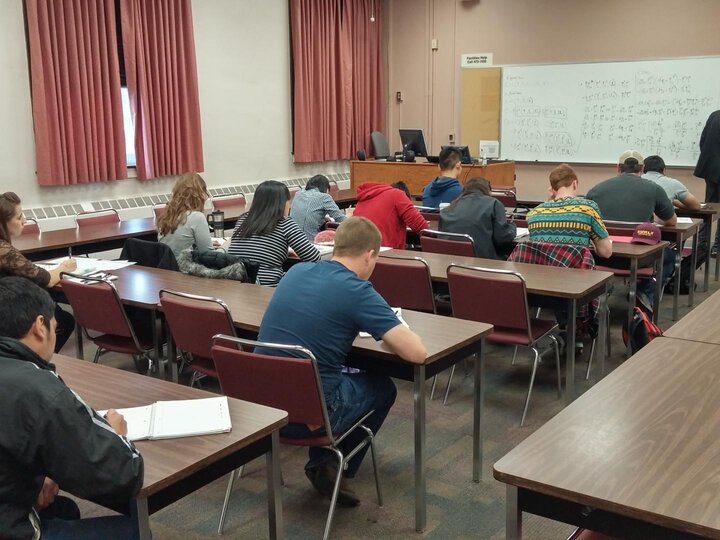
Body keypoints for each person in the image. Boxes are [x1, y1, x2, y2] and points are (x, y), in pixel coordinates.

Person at [257, 217, 426, 507]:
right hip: (309, 417)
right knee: (383, 389)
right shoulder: (357, 290)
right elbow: (417, 354)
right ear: (370, 255)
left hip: (264, 410)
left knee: (336, 376)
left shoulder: (297, 271)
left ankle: (325, 463)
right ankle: (338, 467)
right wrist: (385, 333)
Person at [0, 277, 144, 539]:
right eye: (55, 328)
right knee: (134, 530)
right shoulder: (38, 388)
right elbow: (123, 474)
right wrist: (116, 435)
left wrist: (34, 478)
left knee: (64, 510)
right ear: (40, 328)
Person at [587, 150, 677, 312]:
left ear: (617, 167)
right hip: (640, 260)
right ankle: (645, 294)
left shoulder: (596, 189)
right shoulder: (654, 189)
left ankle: (601, 290)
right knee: (669, 256)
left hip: (600, 257)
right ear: (642, 169)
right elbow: (671, 221)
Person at [0, 192, 76, 352]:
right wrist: (64, 267)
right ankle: (36, 360)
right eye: (19, 217)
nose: (25, 220)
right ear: (3, 223)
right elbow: (46, 279)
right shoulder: (3, 250)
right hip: (8, 312)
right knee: (63, 320)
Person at [228, 180, 320, 286]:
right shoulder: (285, 223)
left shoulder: (243, 219)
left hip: (237, 285)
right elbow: (314, 258)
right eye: (288, 201)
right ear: (282, 203)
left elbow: (257, 247)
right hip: (268, 287)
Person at [527, 164, 612, 258]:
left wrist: (549, 201)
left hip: (543, 272)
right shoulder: (588, 208)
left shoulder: (533, 214)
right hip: (576, 271)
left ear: (552, 189)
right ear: (574, 183)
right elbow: (606, 252)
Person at [439, 177, 517, 259]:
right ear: (488, 191)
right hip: (483, 263)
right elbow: (502, 237)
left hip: (451, 263)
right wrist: (513, 227)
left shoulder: (448, 209)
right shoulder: (494, 204)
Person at [353, 182, 427, 249]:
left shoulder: (364, 197)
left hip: (355, 251)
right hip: (383, 253)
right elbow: (422, 227)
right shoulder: (397, 194)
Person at [157, 172, 213, 258]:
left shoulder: (167, 216)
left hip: (167, 267)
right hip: (187, 268)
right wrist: (225, 247)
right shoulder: (197, 217)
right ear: (199, 195)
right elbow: (209, 256)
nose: (205, 197)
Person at [694, 110, 720, 256]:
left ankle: (701, 243)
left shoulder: (714, 115)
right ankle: (717, 246)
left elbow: (702, 141)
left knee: (709, 207)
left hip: (710, 168)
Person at [289, 174, 347, 240]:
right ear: (326, 188)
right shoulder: (324, 197)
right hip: (311, 241)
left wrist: (322, 218)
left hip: (292, 240)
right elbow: (340, 219)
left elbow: (305, 214)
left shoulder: (298, 194)